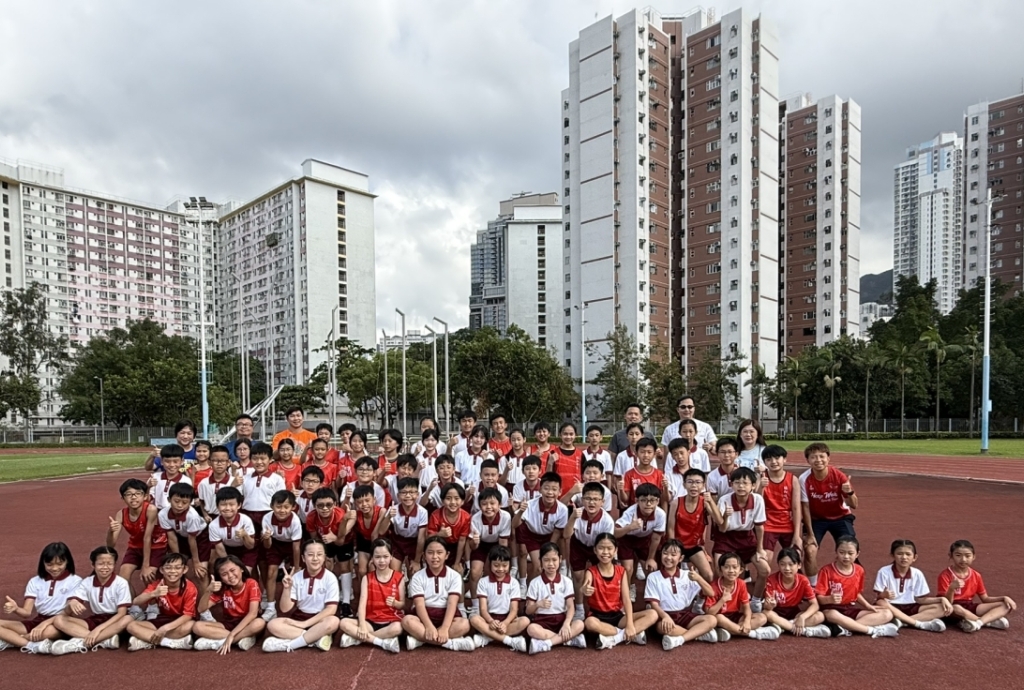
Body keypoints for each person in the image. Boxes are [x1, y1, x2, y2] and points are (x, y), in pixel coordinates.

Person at [0, 542, 81, 654]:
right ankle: (31, 645)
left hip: (60, 622)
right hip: (38, 621)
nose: (55, 568)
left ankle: (12, 640)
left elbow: (68, 612)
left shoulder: (76, 581)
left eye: (60, 564)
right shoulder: (35, 581)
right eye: (49, 564)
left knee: (48, 632)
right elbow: (26, 613)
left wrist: (44, 625)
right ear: (43, 563)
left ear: (67, 561)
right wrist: (16, 608)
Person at [582, 532, 658, 649]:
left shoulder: (621, 571)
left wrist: (630, 624)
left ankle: (614, 638)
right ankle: (627, 635)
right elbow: (585, 585)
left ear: (615, 550)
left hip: (617, 616)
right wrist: (584, 589)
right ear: (595, 550)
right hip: (597, 616)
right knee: (589, 623)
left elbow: (626, 600)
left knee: (653, 614)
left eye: (609, 548)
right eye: (601, 548)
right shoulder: (591, 571)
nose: (605, 552)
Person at [50, 546, 131, 655]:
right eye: (101, 564)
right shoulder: (87, 582)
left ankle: (82, 642)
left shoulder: (121, 583)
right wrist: (73, 602)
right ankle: (103, 640)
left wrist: (97, 630)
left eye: (109, 563)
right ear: (93, 565)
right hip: (95, 619)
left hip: (114, 620)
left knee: (127, 619)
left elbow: (121, 613)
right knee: (59, 619)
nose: (105, 567)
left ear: (115, 564)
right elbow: (74, 600)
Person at [261, 541, 340, 653]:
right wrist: (287, 588)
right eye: (310, 555)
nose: (315, 558)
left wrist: (305, 624)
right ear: (303, 558)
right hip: (299, 619)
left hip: (320, 620)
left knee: (334, 621)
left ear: (324, 558)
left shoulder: (330, 578)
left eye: (319, 554)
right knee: (272, 624)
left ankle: (289, 645)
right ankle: (315, 639)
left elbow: (331, 610)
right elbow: (285, 608)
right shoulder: (296, 577)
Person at [815, 536, 898, 638]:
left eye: (850, 553)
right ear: (836, 552)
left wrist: (867, 606)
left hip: (849, 608)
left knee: (887, 614)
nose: (846, 556)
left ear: (857, 554)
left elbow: (856, 593)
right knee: (831, 614)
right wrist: (829, 599)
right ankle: (871, 630)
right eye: (842, 552)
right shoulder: (826, 570)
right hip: (831, 609)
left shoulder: (859, 570)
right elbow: (819, 598)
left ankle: (845, 628)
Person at [402, 536, 475, 651]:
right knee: (407, 621)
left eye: (439, 552)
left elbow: (452, 603)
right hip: (424, 615)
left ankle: (420, 641)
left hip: (446, 615)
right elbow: (419, 604)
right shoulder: (417, 577)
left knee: (464, 624)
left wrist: (445, 628)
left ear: (447, 555)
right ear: (424, 556)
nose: (435, 557)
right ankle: (450, 643)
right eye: (430, 553)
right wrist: (429, 626)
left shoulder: (454, 576)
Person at [644, 539, 720, 649]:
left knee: (712, 620)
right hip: (664, 615)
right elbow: (653, 604)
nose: (668, 557)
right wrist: (665, 616)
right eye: (665, 553)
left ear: (681, 558)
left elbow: (711, 593)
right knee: (662, 627)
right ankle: (698, 634)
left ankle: (680, 639)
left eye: (673, 555)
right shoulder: (653, 577)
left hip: (684, 615)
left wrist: (699, 578)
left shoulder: (687, 575)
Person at [712, 467, 770, 611]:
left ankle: (755, 600)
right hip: (726, 538)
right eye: (737, 483)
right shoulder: (724, 500)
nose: (741, 486)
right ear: (731, 485)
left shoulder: (758, 500)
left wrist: (760, 549)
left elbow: (759, 527)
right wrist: (726, 516)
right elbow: (722, 529)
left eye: (745, 483)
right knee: (719, 569)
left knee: (765, 570)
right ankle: (722, 600)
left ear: (753, 485)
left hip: (747, 538)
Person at [800, 442, 856, 580]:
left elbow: (854, 505)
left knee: (849, 549)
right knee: (810, 550)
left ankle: (850, 582)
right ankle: (813, 586)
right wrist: (810, 534)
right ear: (808, 460)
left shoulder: (839, 476)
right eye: (813, 457)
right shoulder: (804, 479)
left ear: (828, 458)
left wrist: (849, 492)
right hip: (817, 519)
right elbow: (805, 507)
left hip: (840, 517)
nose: (818, 460)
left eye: (822, 456)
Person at [338, 538, 404, 653]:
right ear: (372, 558)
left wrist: (395, 603)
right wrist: (362, 625)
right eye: (377, 557)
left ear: (391, 557)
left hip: (390, 621)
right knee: (343, 623)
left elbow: (402, 604)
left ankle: (358, 639)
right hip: (370, 621)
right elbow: (362, 604)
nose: (381, 561)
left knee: (399, 628)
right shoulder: (367, 578)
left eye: (385, 556)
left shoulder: (399, 578)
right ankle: (381, 642)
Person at [872, 539, 950, 632]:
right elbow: (879, 598)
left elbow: (920, 599)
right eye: (899, 554)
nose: (904, 557)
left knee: (942, 608)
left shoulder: (917, 573)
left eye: (908, 554)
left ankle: (901, 622)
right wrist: (884, 595)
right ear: (893, 555)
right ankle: (918, 623)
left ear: (914, 557)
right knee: (881, 602)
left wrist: (941, 599)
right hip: (891, 606)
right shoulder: (884, 571)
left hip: (911, 607)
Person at [938, 539, 1015, 632]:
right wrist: (951, 588)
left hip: (969, 605)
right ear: (950, 555)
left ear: (974, 556)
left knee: (1006, 605)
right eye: (958, 555)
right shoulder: (945, 575)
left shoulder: (976, 575)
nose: (963, 559)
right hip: (952, 607)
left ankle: (978, 622)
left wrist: (1004, 598)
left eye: (967, 556)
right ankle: (988, 621)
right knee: (956, 608)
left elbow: (985, 599)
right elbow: (946, 602)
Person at [193, 555, 266, 652]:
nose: (230, 576)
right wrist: (208, 591)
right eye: (224, 574)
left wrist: (232, 635)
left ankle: (223, 642)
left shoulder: (251, 583)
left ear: (242, 569)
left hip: (248, 622)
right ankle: (241, 639)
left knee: (260, 623)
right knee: (197, 626)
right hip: (229, 624)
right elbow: (201, 609)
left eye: (232, 570)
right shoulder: (223, 588)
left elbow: (252, 614)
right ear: (221, 578)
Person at [107, 478, 166, 600]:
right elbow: (111, 545)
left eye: (137, 493)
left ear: (145, 496)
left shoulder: (150, 510)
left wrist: (145, 566)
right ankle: (132, 604)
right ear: (123, 498)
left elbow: (147, 538)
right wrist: (111, 531)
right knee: (122, 578)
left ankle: (152, 605)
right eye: (128, 494)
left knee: (148, 575)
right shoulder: (121, 514)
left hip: (156, 546)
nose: (133, 497)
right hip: (135, 547)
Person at [125, 552, 197, 651]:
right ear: (162, 570)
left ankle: (147, 640)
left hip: (179, 621)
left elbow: (187, 615)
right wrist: (153, 594)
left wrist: (164, 629)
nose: (173, 571)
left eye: (177, 568)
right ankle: (169, 643)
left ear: (184, 569)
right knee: (131, 626)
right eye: (168, 568)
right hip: (162, 619)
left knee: (191, 625)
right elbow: (136, 601)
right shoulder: (157, 585)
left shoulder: (190, 588)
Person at [564, 482, 615, 620]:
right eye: (588, 498)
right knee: (578, 576)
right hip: (578, 544)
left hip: (598, 548)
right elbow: (566, 535)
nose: (591, 502)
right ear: (582, 500)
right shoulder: (577, 513)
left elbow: (607, 544)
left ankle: (598, 607)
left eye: (596, 499)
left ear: (602, 502)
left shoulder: (607, 521)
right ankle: (579, 607)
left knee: (600, 575)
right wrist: (572, 518)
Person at [524, 542, 586, 654]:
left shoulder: (566, 581)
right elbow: (528, 610)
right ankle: (568, 640)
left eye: (554, 560)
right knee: (531, 629)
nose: (551, 564)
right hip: (542, 621)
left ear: (560, 559)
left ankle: (547, 643)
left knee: (580, 624)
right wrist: (537, 604)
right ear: (540, 561)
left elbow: (570, 607)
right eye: (546, 560)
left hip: (561, 620)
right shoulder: (535, 583)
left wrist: (566, 623)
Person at [468, 545, 529, 652]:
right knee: (473, 619)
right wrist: (490, 621)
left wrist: (505, 623)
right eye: (496, 565)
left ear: (509, 564)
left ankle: (487, 637)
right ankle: (509, 641)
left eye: (504, 565)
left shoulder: (514, 583)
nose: (500, 569)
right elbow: (483, 609)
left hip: (507, 620)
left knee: (525, 621)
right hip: (489, 619)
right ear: (490, 564)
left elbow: (514, 609)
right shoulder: (483, 582)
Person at [704, 552, 776, 641]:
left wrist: (747, 622)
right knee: (719, 618)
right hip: (720, 616)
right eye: (726, 567)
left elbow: (746, 607)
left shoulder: (741, 583)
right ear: (720, 570)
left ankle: (730, 631)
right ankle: (753, 634)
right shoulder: (714, 586)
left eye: (734, 567)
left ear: (741, 570)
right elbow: (710, 613)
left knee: (762, 617)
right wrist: (723, 599)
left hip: (735, 616)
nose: (731, 571)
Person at [305, 487, 354, 616]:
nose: (325, 508)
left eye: (329, 504)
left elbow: (341, 542)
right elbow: (315, 539)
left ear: (335, 504)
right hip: (325, 541)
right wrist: (323, 554)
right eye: (320, 505)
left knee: (344, 567)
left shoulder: (340, 515)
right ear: (314, 505)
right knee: (326, 565)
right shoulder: (311, 517)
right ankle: (327, 596)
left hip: (344, 541)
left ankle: (346, 602)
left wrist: (334, 537)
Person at [762, 547, 830, 638]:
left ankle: (784, 626)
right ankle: (802, 630)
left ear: (799, 565)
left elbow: (815, 605)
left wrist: (802, 617)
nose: (787, 568)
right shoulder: (771, 579)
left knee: (820, 616)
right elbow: (767, 607)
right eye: (782, 564)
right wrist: (770, 605)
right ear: (778, 564)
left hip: (795, 613)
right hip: (777, 612)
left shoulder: (803, 580)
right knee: (766, 613)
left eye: (791, 564)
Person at [512, 473, 569, 581]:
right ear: (540, 490)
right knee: (539, 567)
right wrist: (520, 512)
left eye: (554, 489)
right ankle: (528, 586)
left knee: (547, 567)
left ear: (560, 492)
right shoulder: (529, 505)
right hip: (531, 536)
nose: (550, 492)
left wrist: (549, 548)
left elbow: (557, 532)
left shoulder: (563, 509)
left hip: (549, 537)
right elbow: (514, 525)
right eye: (546, 488)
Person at [665, 468, 719, 582]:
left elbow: (718, 520)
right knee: (672, 577)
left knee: (709, 576)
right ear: (684, 484)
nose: (694, 486)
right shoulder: (676, 503)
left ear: (703, 485)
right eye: (690, 482)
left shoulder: (705, 503)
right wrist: (673, 548)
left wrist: (711, 502)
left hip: (694, 546)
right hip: (677, 545)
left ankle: (698, 593)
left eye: (698, 482)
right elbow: (670, 528)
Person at [613, 484, 666, 595]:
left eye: (652, 500)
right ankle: (628, 591)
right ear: (637, 500)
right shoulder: (629, 513)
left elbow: (656, 538)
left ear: (658, 501)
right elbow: (615, 533)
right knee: (628, 568)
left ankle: (651, 595)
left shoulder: (660, 514)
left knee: (650, 568)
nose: (648, 504)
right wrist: (629, 527)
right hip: (626, 539)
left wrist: (650, 558)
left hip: (645, 539)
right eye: (644, 500)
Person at [467, 487, 513, 612]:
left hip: (497, 545)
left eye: (492, 503)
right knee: (475, 572)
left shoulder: (506, 516)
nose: (488, 507)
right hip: (481, 545)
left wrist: (497, 559)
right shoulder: (475, 518)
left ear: (500, 505)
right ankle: (475, 604)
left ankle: (491, 602)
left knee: (492, 570)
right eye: (484, 504)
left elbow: (503, 543)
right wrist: (475, 542)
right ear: (479, 505)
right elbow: (473, 546)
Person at [260, 491, 304, 620]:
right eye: (278, 506)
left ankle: (298, 602)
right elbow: (267, 546)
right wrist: (266, 538)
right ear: (271, 506)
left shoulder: (295, 521)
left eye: (286, 507)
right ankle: (271, 607)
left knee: (297, 574)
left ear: (293, 507)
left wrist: (296, 567)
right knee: (271, 572)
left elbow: (296, 547)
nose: (282, 510)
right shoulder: (267, 518)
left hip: (291, 544)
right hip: (275, 544)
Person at [158, 483, 211, 580]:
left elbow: (192, 539)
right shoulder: (162, 514)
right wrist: (177, 559)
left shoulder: (192, 516)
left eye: (185, 502)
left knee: (201, 572)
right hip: (181, 537)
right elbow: (172, 538)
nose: (180, 505)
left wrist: (196, 562)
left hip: (200, 538)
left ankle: (206, 588)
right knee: (178, 568)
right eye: (176, 501)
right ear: (169, 500)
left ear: (190, 503)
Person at [377, 478, 428, 575]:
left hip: (414, 543)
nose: (408, 496)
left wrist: (417, 561)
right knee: (394, 572)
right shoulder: (393, 509)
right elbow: (381, 531)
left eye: (412, 492)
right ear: (398, 495)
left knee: (415, 572)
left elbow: (421, 539)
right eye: (404, 492)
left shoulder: (422, 512)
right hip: (397, 542)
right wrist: (389, 516)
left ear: (417, 494)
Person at [759, 445, 803, 556]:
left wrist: (797, 535)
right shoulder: (761, 479)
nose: (773, 462)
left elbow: (796, 508)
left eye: (777, 458)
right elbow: (757, 503)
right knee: (765, 557)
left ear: (784, 459)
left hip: (788, 524)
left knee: (796, 556)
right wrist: (760, 487)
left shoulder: (793, 480)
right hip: (768, 525)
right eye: (769, 459)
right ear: (764, 462)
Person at [208, 487, 258, 575]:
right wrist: (229, 565)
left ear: (239, 505)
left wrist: (245, 535)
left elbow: (250, 546)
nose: (227, 508)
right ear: (217, 506)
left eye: (232, 504)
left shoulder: (246, 520)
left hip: (246, 550)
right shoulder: (213, 525)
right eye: (223, 505)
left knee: (244, 574)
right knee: (226, 572)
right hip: (227, 549)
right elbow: (220, 549)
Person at [426, 483, 471, 571]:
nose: (453, 502)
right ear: (442, 501)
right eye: (448, 498)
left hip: (457, 548)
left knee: (458, 571)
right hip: (439, 546)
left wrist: (457, 562)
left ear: (462, 501)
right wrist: (439, 534)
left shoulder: (466, 517)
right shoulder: (435, 515)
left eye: (456, 498)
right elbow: (428, 538)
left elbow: (462, 541)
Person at [346, 484, 387, 581]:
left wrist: (373, 557)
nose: (364, 504)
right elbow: (344, 531)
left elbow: (374, 535)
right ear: (355, 504)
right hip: (364, 542)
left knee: (373, 568)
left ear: (374, 500)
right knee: (362, 571)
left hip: (380, 542)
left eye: (367, 500)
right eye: (360, 502)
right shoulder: (356, 514)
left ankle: (375, 589)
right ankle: (363, 589)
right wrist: (345, 518)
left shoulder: (382, 511)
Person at [197, 446, 242, 519]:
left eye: (223, 461)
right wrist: (205, 515)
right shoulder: (203, 483)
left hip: (228, 517)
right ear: (209, 462)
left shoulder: (235, 481)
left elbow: (238, 503)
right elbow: (201, 502)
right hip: (209, 517)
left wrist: (232, 486)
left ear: (228, 462)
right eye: (215, 460)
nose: (219, 464)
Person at [618, 437, 664, 508]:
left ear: (654, 454)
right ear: (636, 453)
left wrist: (666, 487)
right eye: (642, 452)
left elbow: (662, 498)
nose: (646, 455)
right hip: (635, 511)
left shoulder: (659, 474)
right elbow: (625, 499)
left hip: (653, 510)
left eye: (649, 452)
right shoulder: (629, 474)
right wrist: (621, 489)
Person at [148, 444, 191, 511]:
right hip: (157, 513)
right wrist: (148, 487)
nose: (171, 465)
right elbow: (148, 498)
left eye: (175, 461)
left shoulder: (186, 480)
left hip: (177, 513)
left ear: (182, 461)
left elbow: (188, 503)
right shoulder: (155, 477)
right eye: (167, 461)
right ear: (161, 461)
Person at [547, 422, 583, 497]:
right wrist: (550, 463)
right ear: (560, 435)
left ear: (575, 435)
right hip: (558, 494)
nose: (568, 437)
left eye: (571, 434)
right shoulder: (553, 453)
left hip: (576, 495)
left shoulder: (581, 454)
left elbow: (584, 476)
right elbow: (548, 477)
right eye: (565, 434)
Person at [611, 422, 645, 499]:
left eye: (637, 434)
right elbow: (618, 478)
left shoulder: (647, 455)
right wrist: (621, 499)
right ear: (627, 436)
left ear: (642, 436)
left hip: (644, 493)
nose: (634, 437)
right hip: (626, 493)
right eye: (631, 434)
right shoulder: (621, 456)